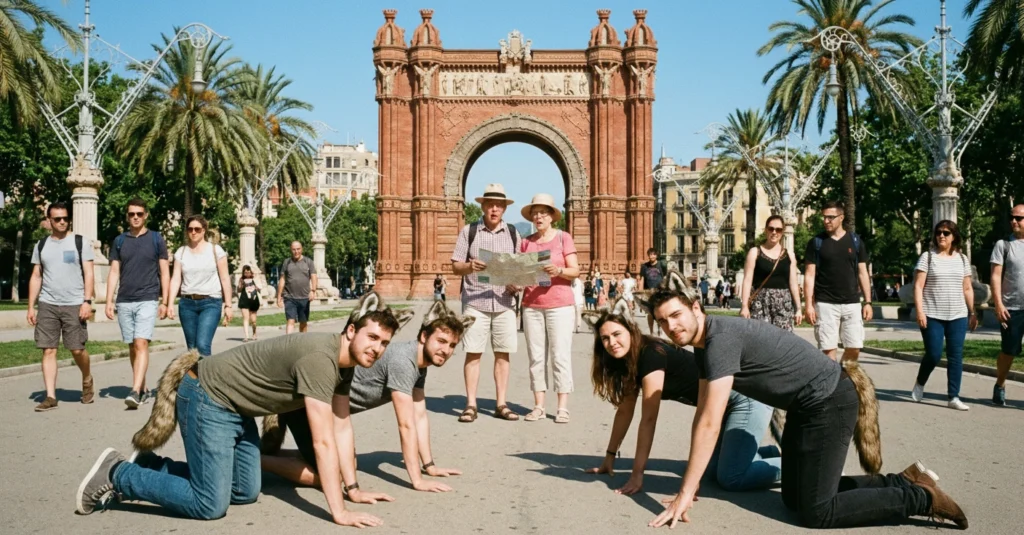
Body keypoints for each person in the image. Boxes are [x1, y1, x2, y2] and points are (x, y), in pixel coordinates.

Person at [75, 293, 414, 527]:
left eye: (384, 343)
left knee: (245, 491)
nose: (377, 348)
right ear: (351, 330)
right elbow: (325, 442)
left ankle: (150, 466)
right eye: (372, 338)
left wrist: (353, 490)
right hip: (207, 396)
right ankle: (118, 473)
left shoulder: (346, 364)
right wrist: (338, 512)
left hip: (238, 410)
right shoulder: (320, 359)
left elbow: (341, 426)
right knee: (209, 504)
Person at [645, 286, 968, 529]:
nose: (671, 326)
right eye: (662, 321)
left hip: (830, 401)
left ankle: (921, 498)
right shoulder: (705, 349)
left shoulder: (720, 340)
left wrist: (685, 493)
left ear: (696, 308)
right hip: (805, 407)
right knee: (794, 498)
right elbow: (703, 412)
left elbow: (710, 424)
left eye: (676, 315)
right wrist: (691, 482)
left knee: (817, 512)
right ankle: (902, 481)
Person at [260, 301, 474, 494]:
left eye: (452, 345)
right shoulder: (403, 361)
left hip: (322, 405)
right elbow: (406, 425)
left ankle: (271, 455)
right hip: (305, 403)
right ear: (424, 336)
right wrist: (417, 480)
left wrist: (429, 466)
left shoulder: (420, 366)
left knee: (339, 463)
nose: (446, 350)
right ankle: (254, 460)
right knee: (335, 476)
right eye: (441, 341)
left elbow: (419, 416)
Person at [584, 298, 781, 493]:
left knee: (730, 477)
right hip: (723, 407)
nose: (612, 342)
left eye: (617, 334)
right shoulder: (629, 360)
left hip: (745, 400)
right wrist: (609, 458)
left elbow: (649, 419)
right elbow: (624, 412)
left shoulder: (651, 354)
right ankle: (767, 453)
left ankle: (796, 464)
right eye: (605, 338)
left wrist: (636, 475)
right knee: (711, 471)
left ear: (631, 330)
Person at [450, 183, 523, 423]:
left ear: (504, 208)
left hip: (504, 302)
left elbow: (519, 270)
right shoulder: (469, 231)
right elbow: (455, 266)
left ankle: (501, 403)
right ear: (482, 206)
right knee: (473, 353)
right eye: (490, 204)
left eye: (499, 205)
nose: (494, 209)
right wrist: (470, 266)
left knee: (503, 354)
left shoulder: (513, 233)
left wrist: (516, 283)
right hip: (475, 302)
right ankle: (471, 404)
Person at [27, 202, 96, 411]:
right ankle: (50, 396)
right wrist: (31, 306)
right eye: (57, 219)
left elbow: (89, 273)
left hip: (74, 303)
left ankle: (86, 377)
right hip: (47, 303)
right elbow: (36, 276)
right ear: (49, 220)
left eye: (65, 218)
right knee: (48, 349)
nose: (62, 222)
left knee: (77, 349)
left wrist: (87, 302)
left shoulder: (80, 242)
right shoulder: (41, 245)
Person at [519, 193, 580, 424]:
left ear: (552, 216)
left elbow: (575, 270)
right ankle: (539, 406)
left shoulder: (564, 238)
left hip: (559, 304)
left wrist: (559, 271)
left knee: (559, 356)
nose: (538, 216)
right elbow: (523, 272)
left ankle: (562, 407)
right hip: (532, 305)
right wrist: (514, 279)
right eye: (535, 213)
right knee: (535, 357)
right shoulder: (527, 242)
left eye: (543, 212)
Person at [104, 198, 170, 409]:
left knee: (141, 343)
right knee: (133, 345)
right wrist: (108, 300)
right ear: (127, 215)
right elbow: (114, 271)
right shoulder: (119, 241)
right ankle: (141, 387)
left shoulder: (156, 239)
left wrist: (165, 300)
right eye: (131, 214)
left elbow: (165, 272)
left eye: (139, 214)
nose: (135, 217)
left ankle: (134, 390)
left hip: (148, 298)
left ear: (146, 215)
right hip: (124, 300)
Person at [911, 220, 977, 411]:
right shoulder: (927, 257)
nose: (941, 235)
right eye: (939, 232)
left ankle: (953, 397)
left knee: (956, 356)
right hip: (932, 314)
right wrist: (920, 311)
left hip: (958, 315)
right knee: (934, 354)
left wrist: (972, 312)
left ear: (954, 236)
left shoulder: (962, 259)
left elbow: (967, 288)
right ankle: (920, 382)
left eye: (946, 233)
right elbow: (918, 286)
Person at [804, 201, 873, 362]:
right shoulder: (816, 243)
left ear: (841, 217)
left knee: (854, 348)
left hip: (852, 303)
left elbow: (862, 273)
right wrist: (808, 305)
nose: (826, 221)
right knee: (828, 352)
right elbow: (809, 275)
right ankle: (833, 384)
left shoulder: (855, 241)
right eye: (824, 217)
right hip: (825, 304)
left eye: (830, 217)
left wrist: (868, 302)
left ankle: (841, 377)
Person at [166, 215, 233, 357]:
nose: (193, 232)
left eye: (197, 229)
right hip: (187, 304)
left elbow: (225, 278)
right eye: (190, 229)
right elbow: (176, 278)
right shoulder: (181, 252)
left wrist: (228, 305)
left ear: (204, 231)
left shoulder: (215, 251)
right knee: (192, 349)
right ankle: (196, 379)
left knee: (202, 345)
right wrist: (170, 303)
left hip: (210, 303)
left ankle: (204, 378)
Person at [740, 215, 803, 331]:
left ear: (782, 232)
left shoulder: (789, 255)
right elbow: (747, 280)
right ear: (765, 230)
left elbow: (793, 283)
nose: (774, 232)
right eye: (771, 229)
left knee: (783, 342)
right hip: (760, 303)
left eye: (778, 229)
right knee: (760, 341)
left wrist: (798, 308)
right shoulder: (755, 252)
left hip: (784, 305)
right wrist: (744, 306)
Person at [990, 203, 1024, 406]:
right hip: (1012, 308)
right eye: (1012, 217)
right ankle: (1000, 383)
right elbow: (995, 276)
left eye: (1019, 218)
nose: (1014, 221)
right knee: (1009, 351)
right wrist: (998, 304)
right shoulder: (1003, 245)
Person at [277, 241, 317, 334]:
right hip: (289, 297)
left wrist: (313, 291)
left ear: (302, 249)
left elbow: (314, 277)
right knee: (291, 321)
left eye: (298, 249)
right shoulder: (287, 262)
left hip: (304, 297)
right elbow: (282, 279)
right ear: (291, 250)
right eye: (294, 249)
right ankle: (289, 343)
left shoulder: (308, 262)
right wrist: (279, 296)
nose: (296, 251)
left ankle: (302, 343)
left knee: (303, 323)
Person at [639, 248, 666, 334]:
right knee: (650, 313)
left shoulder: (662, 265)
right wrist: (640, 293)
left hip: (659, 292)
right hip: (649, 292)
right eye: (650, 254)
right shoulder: (644, 266)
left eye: (654, 254)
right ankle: (651, 332)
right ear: (648, 255)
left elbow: (665, 278)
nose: (652, 256)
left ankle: (659, 327)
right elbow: (642, 279)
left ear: (656, 255)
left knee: (659, 311)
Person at [236, 265, 261, 342]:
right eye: (245, 272)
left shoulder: (254, 278)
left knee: (253, 321)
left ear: (250, 272)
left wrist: (256, 287)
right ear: (243, 273)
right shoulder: (241, 279)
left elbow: (260, 288)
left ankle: (254, 333)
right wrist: (240, 285)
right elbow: (239, 290)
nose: (247, 274)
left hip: (253, 301)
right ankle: (246, 336)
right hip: (244, 301)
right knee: (245, 318)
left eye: (248, 272)